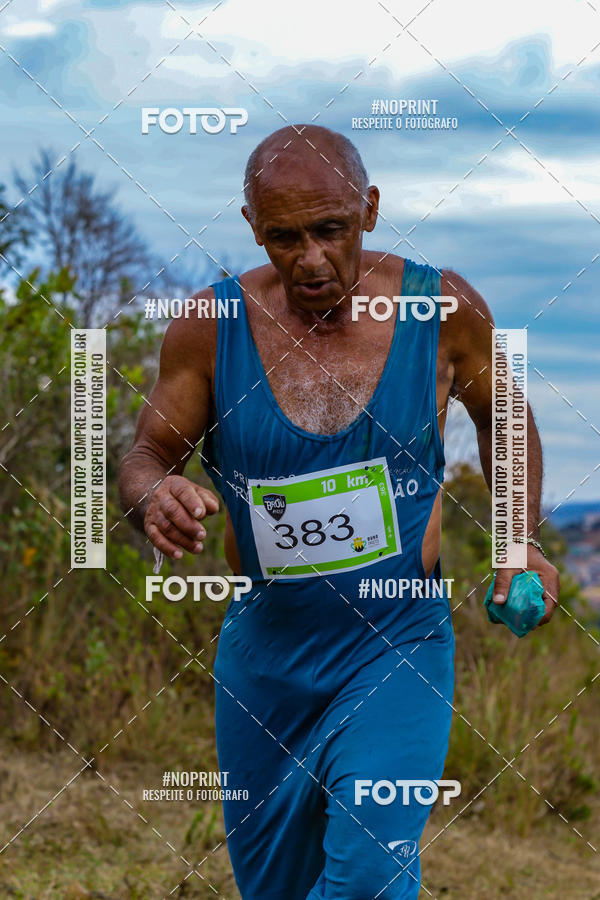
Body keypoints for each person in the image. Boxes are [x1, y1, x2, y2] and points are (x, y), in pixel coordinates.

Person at [119, 124, 559, 899]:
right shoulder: (210, 326)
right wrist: (155, 494)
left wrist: (516, 539)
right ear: (253, 227)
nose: (312, 260)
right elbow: (145, 455)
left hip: (397, 643)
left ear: (371, 211)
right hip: (267, 659)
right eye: (285, 237)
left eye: (331, 230)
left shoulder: (442, 310)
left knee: (366, 876)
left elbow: (504, 414)